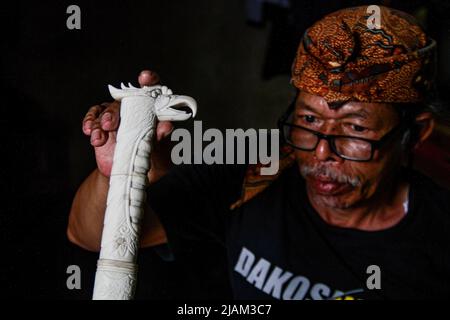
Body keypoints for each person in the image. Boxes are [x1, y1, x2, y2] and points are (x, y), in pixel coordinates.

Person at [68, 6, 450, 299]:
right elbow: (90, 237)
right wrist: (118, 172)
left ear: (415, 134)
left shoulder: (437, 239)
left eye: (355, 129)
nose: (320, 152)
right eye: (308, 120)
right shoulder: (252, 173)